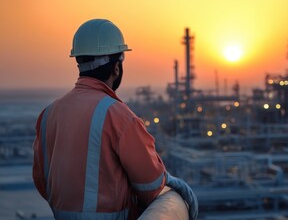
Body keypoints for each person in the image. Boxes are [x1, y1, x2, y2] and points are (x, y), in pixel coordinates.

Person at [32, 19, 198, 220]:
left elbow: (42, 181)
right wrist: (169, 183)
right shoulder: (119, 116)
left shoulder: (49, 114)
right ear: (116, 68)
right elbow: (151, 185)